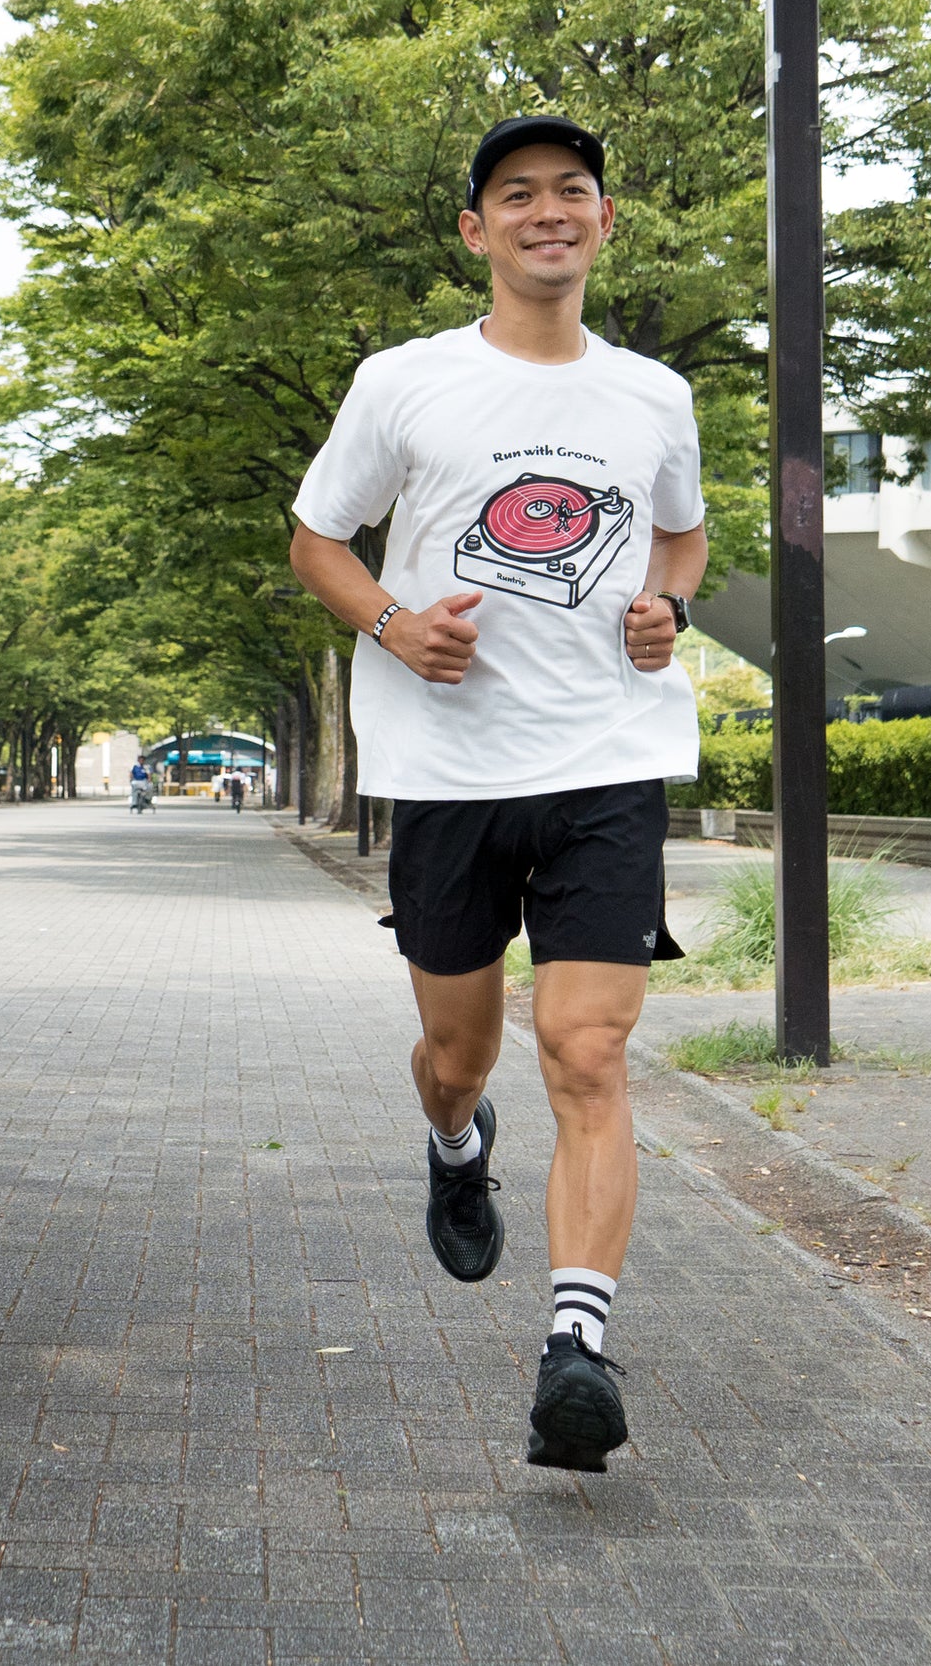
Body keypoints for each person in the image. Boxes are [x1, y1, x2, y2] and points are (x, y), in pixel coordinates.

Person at [289, 115, 706, 1472]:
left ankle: (575, 1347)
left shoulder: (652, 394)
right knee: (457, 1054)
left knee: (586, 1050)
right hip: (448, 773)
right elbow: (316, 538)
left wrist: (670, 606)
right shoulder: (404, 382)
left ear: (603, 222)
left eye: (570, 191)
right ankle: (455, 1141)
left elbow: (682, 533)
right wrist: (395, 623)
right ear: (476, 230)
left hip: (605, 763)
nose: (546, 212)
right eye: (516, 195)